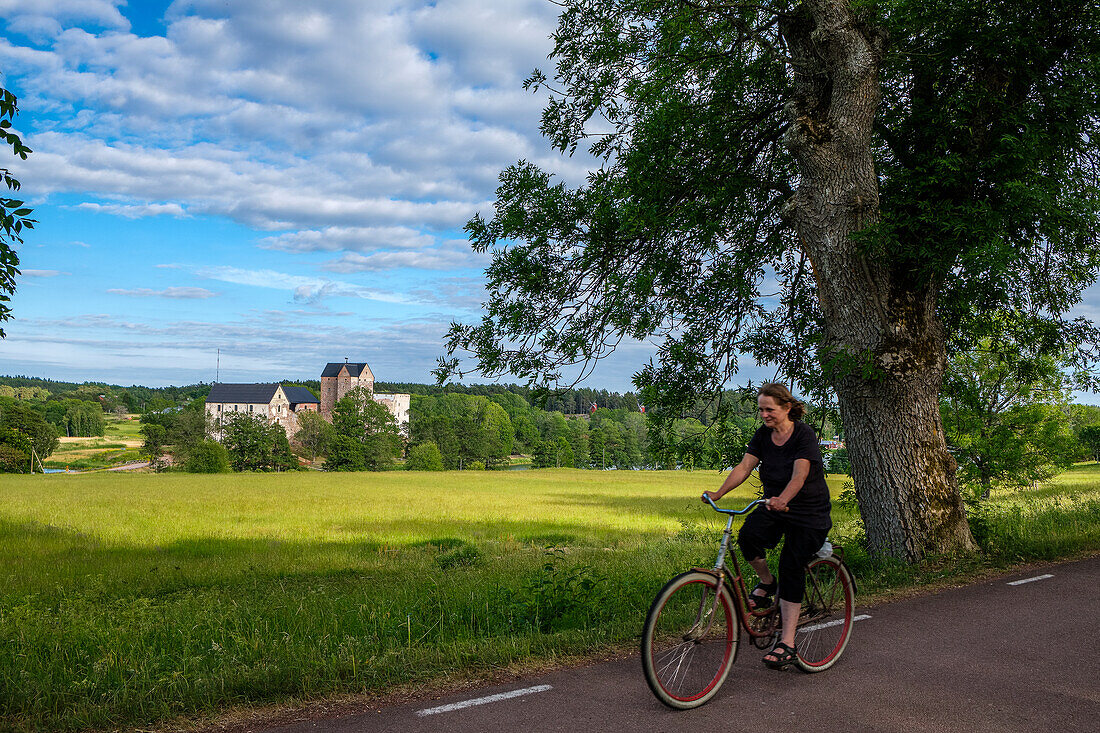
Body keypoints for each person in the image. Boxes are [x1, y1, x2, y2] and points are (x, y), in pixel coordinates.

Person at [701, 382, 832, 670]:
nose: (764, 415)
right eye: (760, 409)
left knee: (791, 564)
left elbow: (800, 475)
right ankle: (767, 582)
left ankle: (787, 643)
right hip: (775, 505)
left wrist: (783, 499)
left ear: (787, 408)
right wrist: (718, 493)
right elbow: (745, 467)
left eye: (769, 409)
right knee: (748, 536)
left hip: (808, 513)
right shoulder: (763, 435)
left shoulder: (803, 435)